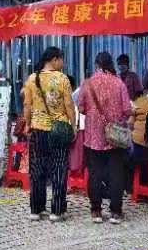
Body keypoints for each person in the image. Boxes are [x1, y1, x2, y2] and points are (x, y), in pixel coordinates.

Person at [22, 46, 76, 222]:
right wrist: (73, 125)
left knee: (37, 170)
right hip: (59, 129)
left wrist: (28, 124)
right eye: (61, 59)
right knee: (59, 169)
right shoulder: (62, 79)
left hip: (37, 129)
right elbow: (69, 105)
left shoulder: (32, 78)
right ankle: (57, 211)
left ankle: (36, 210)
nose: (63, 63)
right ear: (54, 59)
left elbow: (27, 106)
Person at [77, 52, 132, 224]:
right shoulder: (119, 83)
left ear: (97, 65)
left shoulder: (87, 83)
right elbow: (127, 110)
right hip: (114, 137)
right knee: (116, 173)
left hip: (94, 137)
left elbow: (80, 108)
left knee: (95, 173)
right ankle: (116, 212)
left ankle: (96, 211)